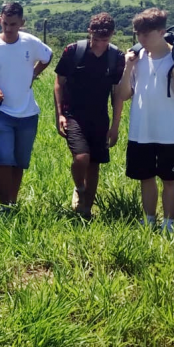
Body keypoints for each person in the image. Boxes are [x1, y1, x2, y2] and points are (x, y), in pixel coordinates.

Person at [115, 8, 174, 233]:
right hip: (141, 130)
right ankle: (149, 220)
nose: (141, 39)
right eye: (137, 34)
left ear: (161, 32)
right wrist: (128, 66)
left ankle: (169, 224)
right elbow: (123, 95)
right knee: (145, 178)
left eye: (146, 34)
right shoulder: (136, 58)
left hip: (169, 131)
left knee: (170, 179)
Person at [54, 13, 125, 217]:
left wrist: (115, 126)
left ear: (112, 35)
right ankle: (79, 188)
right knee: (82, 158)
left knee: (94, 164)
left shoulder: (116, 57)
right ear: (89, 32)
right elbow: (59, 83)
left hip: (100, 117)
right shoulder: (73, 51)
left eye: (105, 40)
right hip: (73, 114)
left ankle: (86, 209)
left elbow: (118, 94)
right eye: (96, 39)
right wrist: (60, 114)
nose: (100, 44)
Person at [0, 2, 53, 209]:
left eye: (13, 24)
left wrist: (34, 73)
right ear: (0, 21)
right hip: (1, 112)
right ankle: (4, 206)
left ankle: (12, 203)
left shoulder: (30, 43)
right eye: (5, 23)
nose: (9, 28)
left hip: (28, 113)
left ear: (22, 23)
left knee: (19, 162)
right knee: (4, 159)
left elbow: (47, 56)